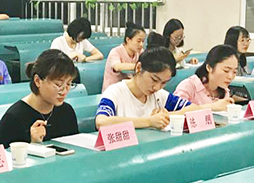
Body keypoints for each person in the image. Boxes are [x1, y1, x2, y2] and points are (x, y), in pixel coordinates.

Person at [95, 47, 232, 130]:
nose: (157, 87)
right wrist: (148, 121)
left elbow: (194, 109)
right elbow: (101, 122)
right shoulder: (115, 92)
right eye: (154, 79)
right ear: (139, 68)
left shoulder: (160, 95)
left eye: (164, 83)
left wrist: (166, 117)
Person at [0, 49, 80, 147]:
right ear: (38, 81)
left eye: (69, 84)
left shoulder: (66, 111)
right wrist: (33, 144)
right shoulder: (14, 118)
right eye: (58, 84)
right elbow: (2, 155)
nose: (64, 91)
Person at [174, 45, 239, 105]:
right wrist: (213, 107)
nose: (230, 76)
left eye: (234, 72)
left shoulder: (224, 91)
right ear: (209, 68)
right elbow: (176, 111)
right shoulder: (188, 86)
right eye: (226, 71)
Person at [102, 22, 146, 92]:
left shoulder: (140, 52)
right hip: (113, 91)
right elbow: (117, 67)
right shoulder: (115, 51)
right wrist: (138, 66)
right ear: (128, 40)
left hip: (129, 90)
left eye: (143, 41)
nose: (141, 44)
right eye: (138, 41)